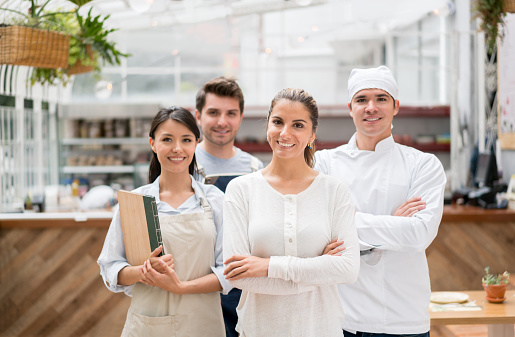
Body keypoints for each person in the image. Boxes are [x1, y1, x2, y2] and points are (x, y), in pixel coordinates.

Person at [314, 66, 447, 337]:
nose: (371, 107)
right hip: (341, 318)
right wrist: (394, 224)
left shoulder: (422, 165)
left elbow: (418, 234)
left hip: (402, 316)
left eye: (381, 99)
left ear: (396, 106)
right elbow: (318, 232)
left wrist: (348, 230)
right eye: (362, 100)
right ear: (350, 107)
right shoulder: (325, 162)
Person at [223, 88, 360, 337]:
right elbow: (238, 276)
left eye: (298, 125)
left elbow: (348, 269)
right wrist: (319, 270)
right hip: (259, 329)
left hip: (321, 328)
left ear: (311, 134)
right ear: (268, 126)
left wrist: (268, 265)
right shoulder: (241, 189)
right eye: (278, 122)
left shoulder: (334, 190)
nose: (285, 133)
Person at [97, 107, 229, 337]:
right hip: (149, 326)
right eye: (167, 139)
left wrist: (180, 287)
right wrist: (143, 271)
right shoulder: (134, 202)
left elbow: (228, 271)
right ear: (152, 143)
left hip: (203, 325)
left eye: (186, 139)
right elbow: (110, 267)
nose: (177, 148)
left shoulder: (216, 200)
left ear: (196, 143)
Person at [194, 76, 264, 337]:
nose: (222, 121)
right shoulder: (180, 165)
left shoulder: (257, 170)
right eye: (213, 112)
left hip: (244, 291)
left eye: (231, 113)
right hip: (195, 286)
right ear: (198, 116)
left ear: (241, 117)